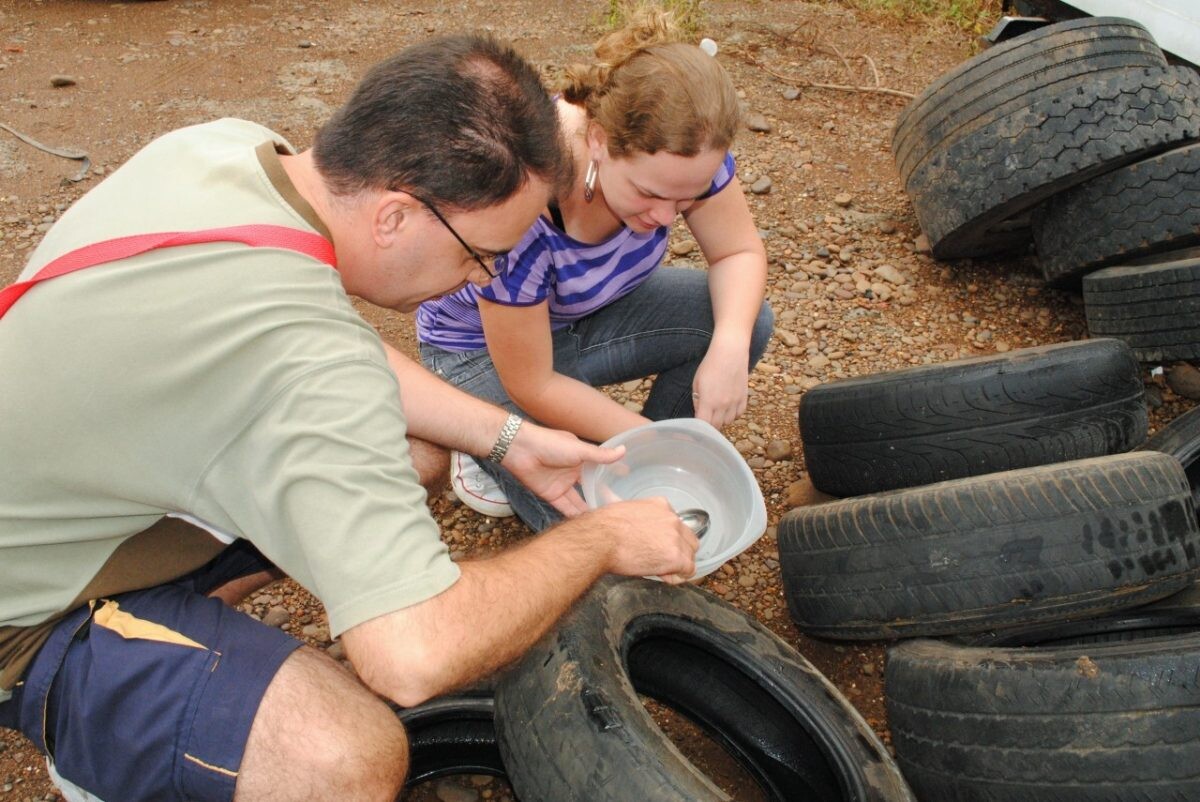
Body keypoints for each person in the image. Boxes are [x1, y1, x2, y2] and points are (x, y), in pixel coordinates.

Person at [0, 35, 700, 802]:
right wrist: (600, 538)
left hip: (78, 490)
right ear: (397, 216)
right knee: (344, 756)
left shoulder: (227, 151)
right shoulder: (300, 366)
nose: (482, 278)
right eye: (482, 255)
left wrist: (510, 437)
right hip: (25, 607)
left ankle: (183, 647)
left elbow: (328, 358)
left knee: (417, 453)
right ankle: (112, 744)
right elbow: (412, 658)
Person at [416, 11, 775, 529]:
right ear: (600, 141)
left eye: (687, 199)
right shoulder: (524, 199)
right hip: (482, 354)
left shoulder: (687, 152)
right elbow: (533, 382)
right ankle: (480, 440)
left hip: (577, 315)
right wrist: (647, 445)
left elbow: (737, 253)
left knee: (740, 320)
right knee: (584, 513)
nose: (665, 219)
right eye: (650, 195)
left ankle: (651, 469)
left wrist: (730, 345)